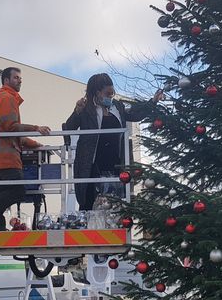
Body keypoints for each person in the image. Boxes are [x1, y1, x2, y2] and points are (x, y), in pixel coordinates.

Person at [0, 67, 51, 230]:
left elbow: (10, 132)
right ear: (6, 80)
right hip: (7, 159)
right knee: (18, 191)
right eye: (16, 78)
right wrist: (37, 128)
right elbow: (12, 127)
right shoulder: (7, 98)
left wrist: (36, 144)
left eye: (20, 78)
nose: (20, 80)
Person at [63, 73, 161, 210]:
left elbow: (135, 115)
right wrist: (77, 111)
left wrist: (152, 102)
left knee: (115, 203)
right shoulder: (86, 108)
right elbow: (69, 128)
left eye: (112, 93)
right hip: (91, 164)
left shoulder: (117, 106)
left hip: (115, 163)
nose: (110, 96)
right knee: (88, 203)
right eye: (107, 93)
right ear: (97, 92)